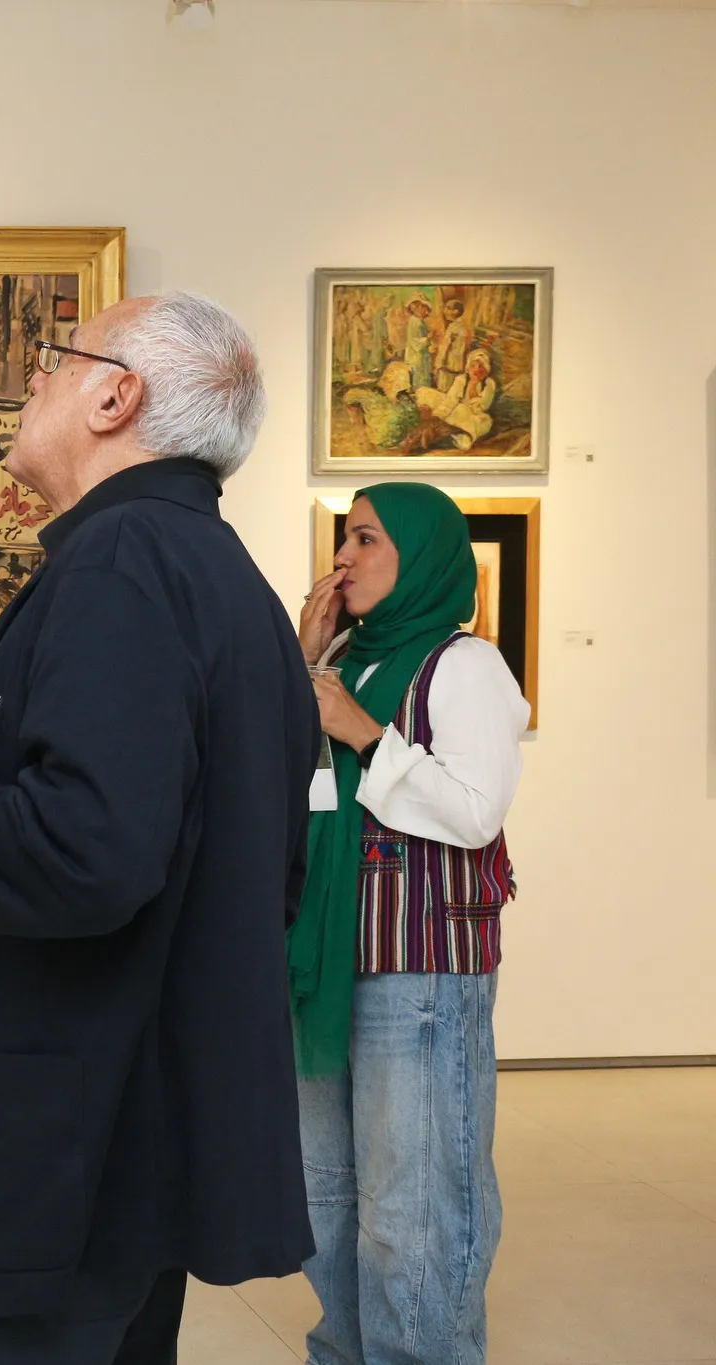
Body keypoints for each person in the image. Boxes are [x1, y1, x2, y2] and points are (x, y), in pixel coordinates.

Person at [0, 292, 317, 1364]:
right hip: (115, 1151)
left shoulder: (121, 564)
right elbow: (258, 871)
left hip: (27, 1174)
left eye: (55, 360)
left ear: (116, 398)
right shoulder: (215, 573)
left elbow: (84, 853)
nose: (30, 380)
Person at [292, 483, 528, 1365]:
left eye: (366, 538)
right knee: (325, 1195)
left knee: (414, 1207)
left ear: (421, 554)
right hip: (328, 961)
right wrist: (301, 661)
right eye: (343, 537)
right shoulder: (341, 658)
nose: (342, 556)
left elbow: (474, 810)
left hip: (419, 967)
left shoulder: (466, 666)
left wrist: (363, 732)